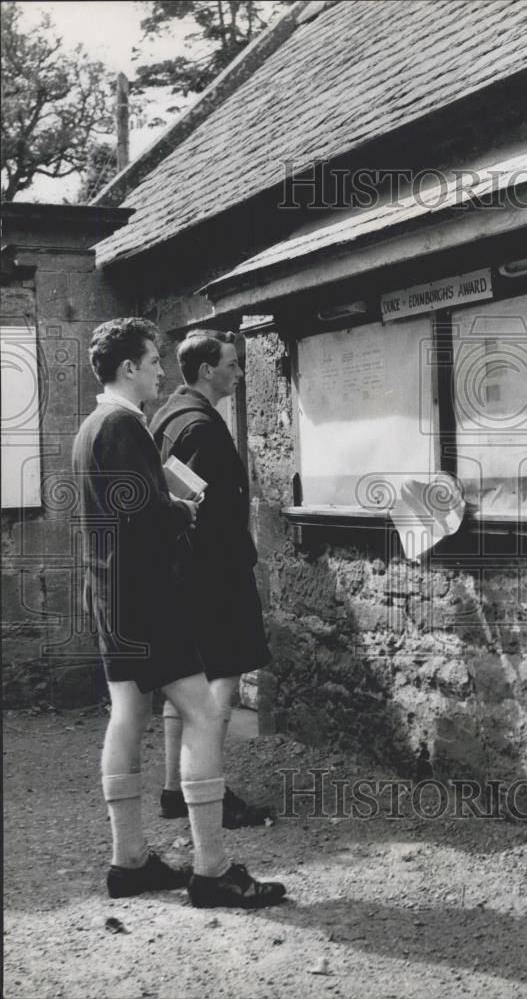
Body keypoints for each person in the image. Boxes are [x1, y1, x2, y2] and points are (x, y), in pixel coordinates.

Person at [72, 317, 285, 908]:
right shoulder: (123, 426)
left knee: (127, 715)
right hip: (148, 599)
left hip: (110, 596)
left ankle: (130, 861)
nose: (162, 371)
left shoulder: (90, 427)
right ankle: (213, 870)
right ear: (128, 369)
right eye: (152, 361)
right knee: (200, 713)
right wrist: (181, 509)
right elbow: (146, 515)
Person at [150, 330, 270, 829]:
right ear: (206, 370)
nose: (239, 374)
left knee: (185, 685)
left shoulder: (169, 415)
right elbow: (191, 512)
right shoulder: (199, 426)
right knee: (219, 682)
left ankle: (176, 790)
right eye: (232, 364)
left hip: (187, 574)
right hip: (211, 575)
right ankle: (210, 793)